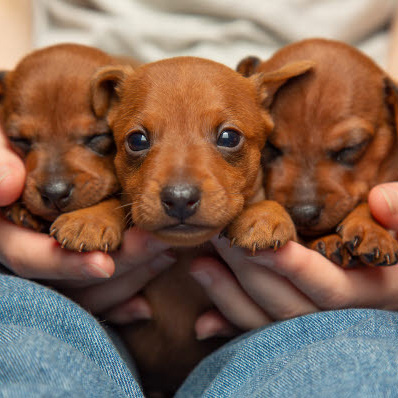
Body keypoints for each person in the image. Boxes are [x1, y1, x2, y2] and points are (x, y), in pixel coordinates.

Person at [3, 0, 398, 396]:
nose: (180, 191)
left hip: (322, 316)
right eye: (139, 141)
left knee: (360, 368)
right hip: (68, 87)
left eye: (228, 139)